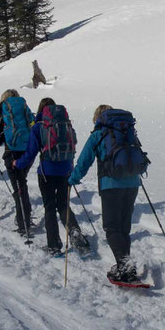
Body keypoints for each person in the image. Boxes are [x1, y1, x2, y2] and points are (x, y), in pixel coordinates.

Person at [69, 105, 144, 283]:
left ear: (98, 118)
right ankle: (125, 264)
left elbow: (84, 160)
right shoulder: (127, 131)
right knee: (124, 226)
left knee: (111, 227)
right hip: (133, 183)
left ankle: (125, 266)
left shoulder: (98, 134)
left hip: (111, 185)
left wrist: (73, 179)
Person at [14, 98, 87, 255]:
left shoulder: (38, 127)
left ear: (41, 110)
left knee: (49, 207)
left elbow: (30, 153)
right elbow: (74, 142)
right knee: (63, 204)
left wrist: (17, 164)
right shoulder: (66, 125)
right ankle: (75, 233)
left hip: (47, 172)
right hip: (67, 170)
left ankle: (53, 246)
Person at [0, 89, 34, 236]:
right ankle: (25, 217)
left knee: (19, 188)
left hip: (12, 153)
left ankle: (24, 224)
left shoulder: (2, 114)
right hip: (28, 153)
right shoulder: (23, 109)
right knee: (22, 183)